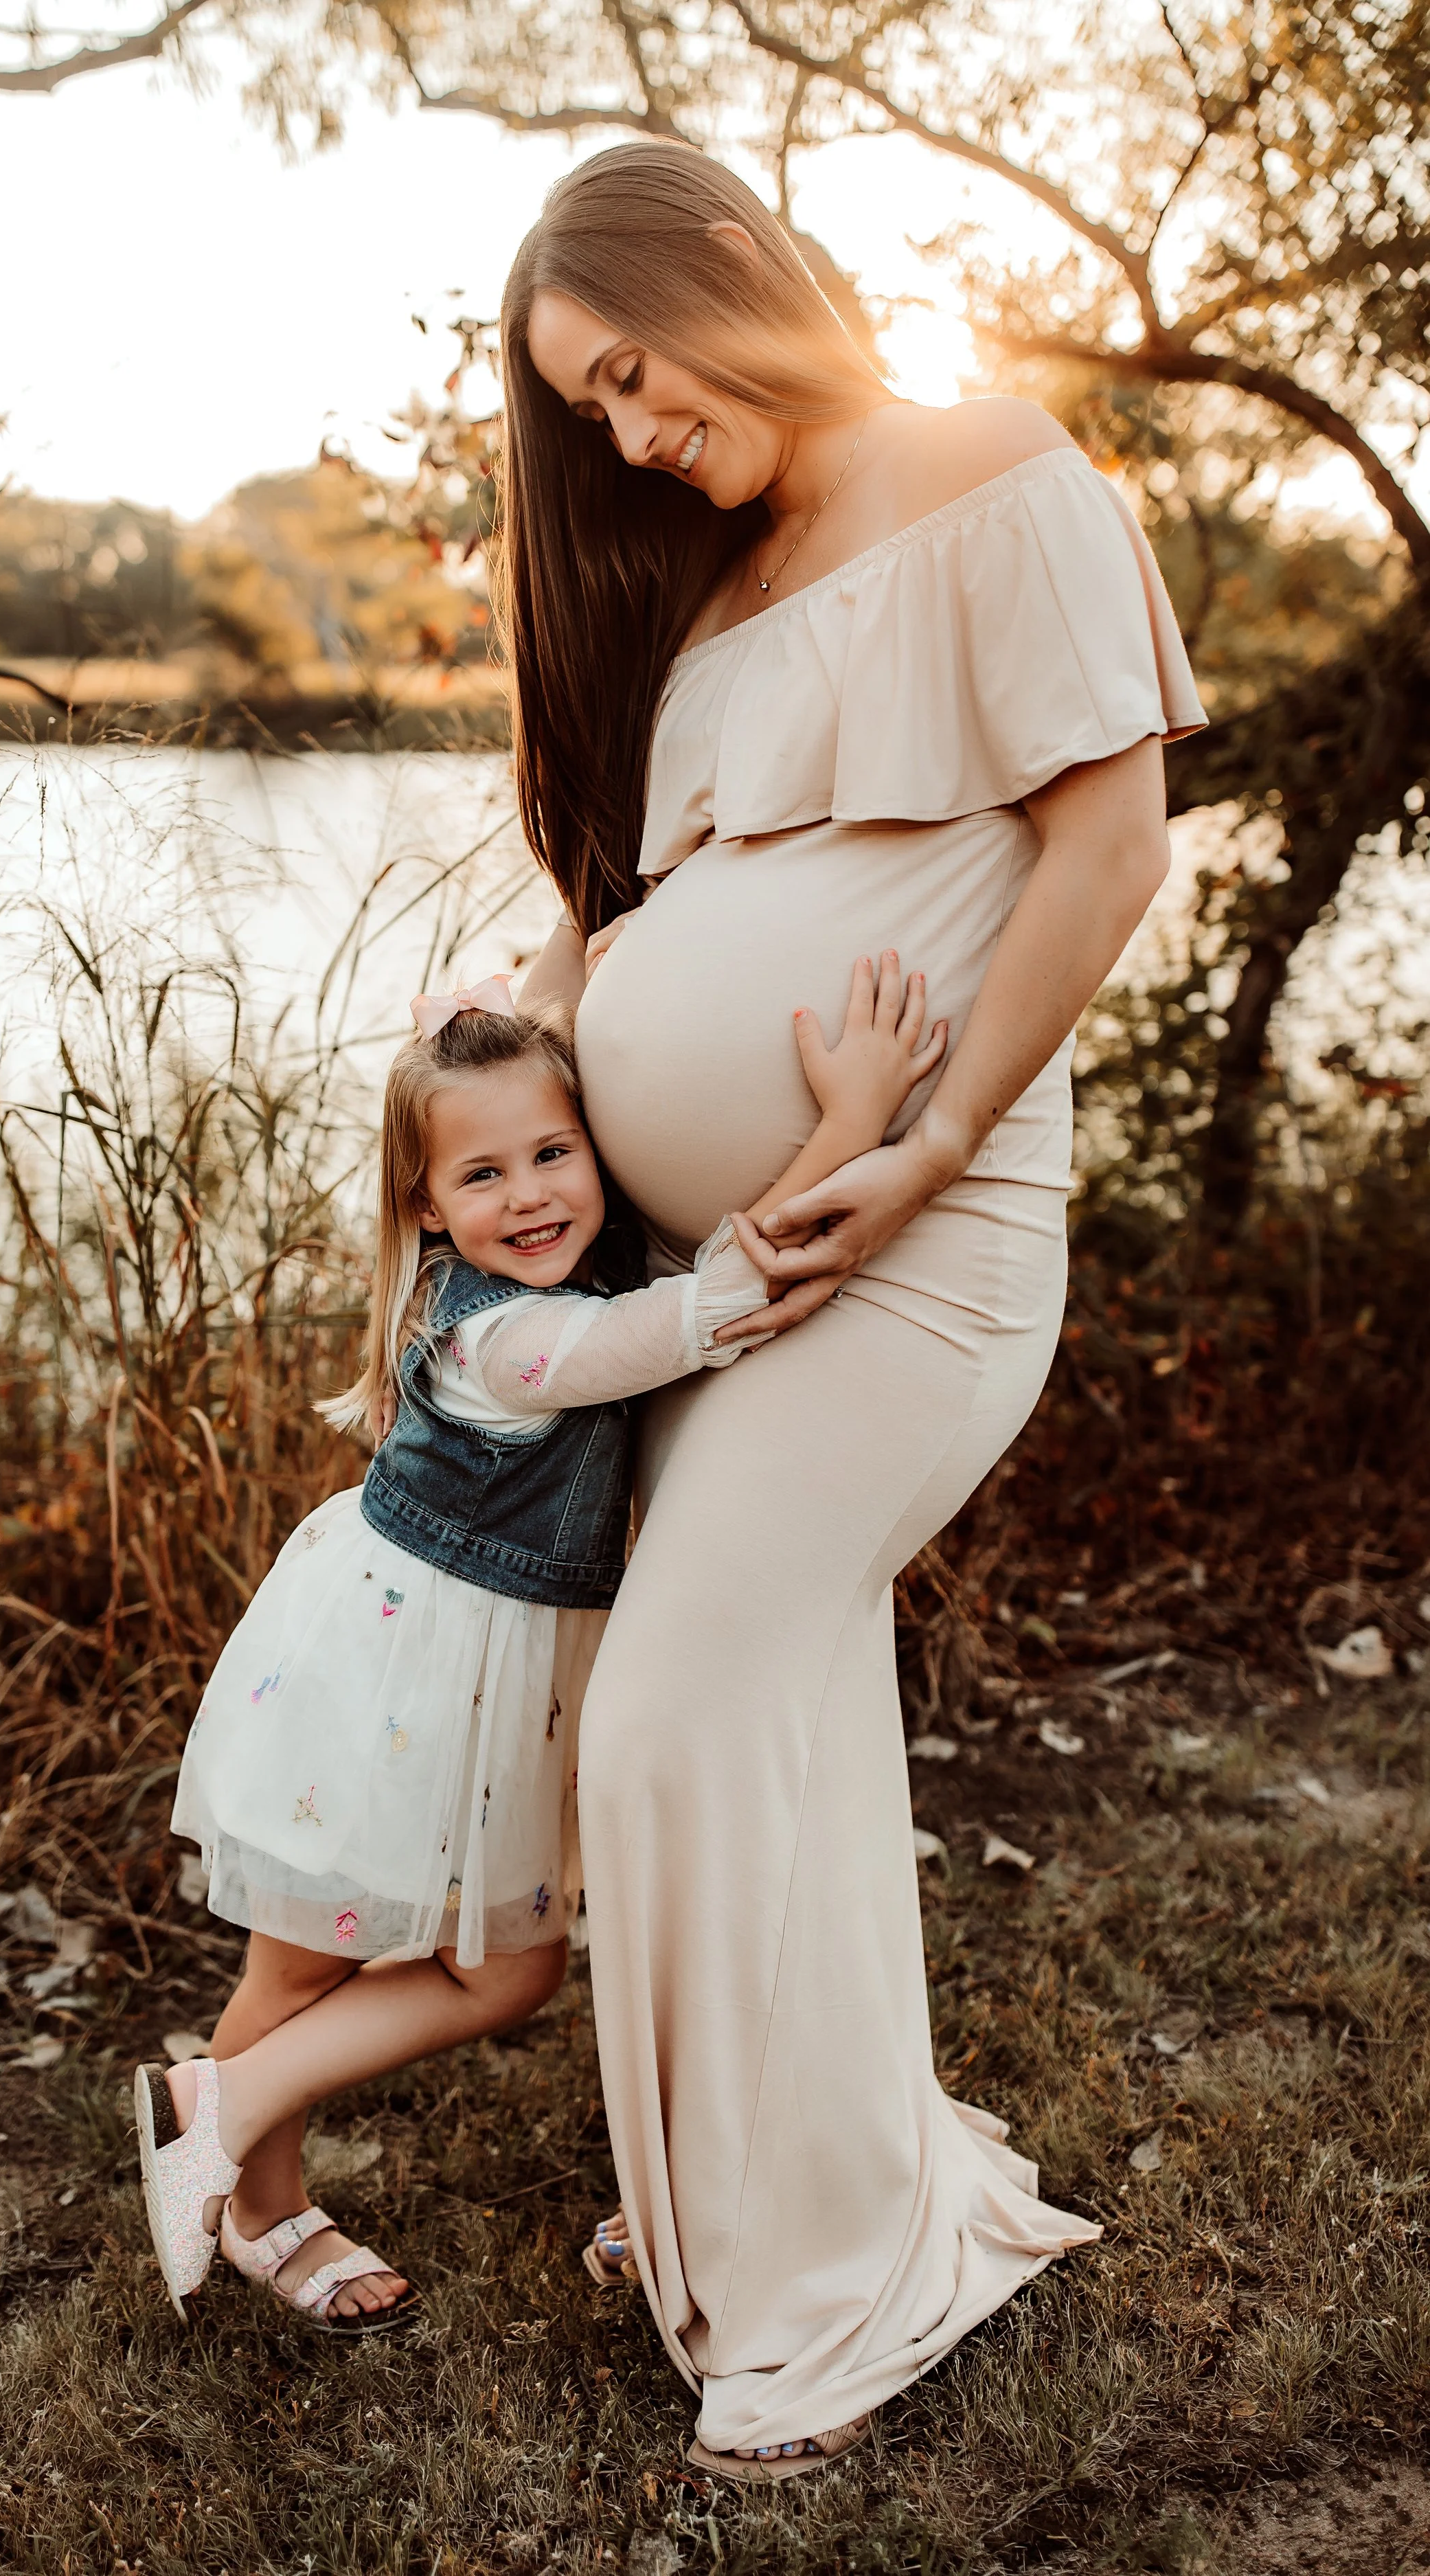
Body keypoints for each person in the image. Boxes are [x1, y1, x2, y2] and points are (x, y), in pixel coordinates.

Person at [503, 140, 1206, 2478]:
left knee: (677, 1722)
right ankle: (767, 2189)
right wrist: (522, 1090)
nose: (623, 436)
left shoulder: (991, 470)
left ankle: (818, 2284)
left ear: (722, 274)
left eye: (630, 371)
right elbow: (629, 925)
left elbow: (1108, 843)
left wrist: (917, 1147)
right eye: (582, 411)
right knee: (755, 1717)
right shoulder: (712, 608)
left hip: (926, 1243)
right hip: (722, 1283)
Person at [137, 958, 945, 2333]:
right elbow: (713, 1309)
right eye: (483, 1176)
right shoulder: (506, 1342)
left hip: (483, 1673)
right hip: (392, 1665)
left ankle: (222, 2111)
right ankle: (258, 2193)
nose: (529, 1197)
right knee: (300, 1967)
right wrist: (851, 1123)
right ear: (428, 1210)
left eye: (554, 1153)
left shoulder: (570, 1261)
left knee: (504, 1969)